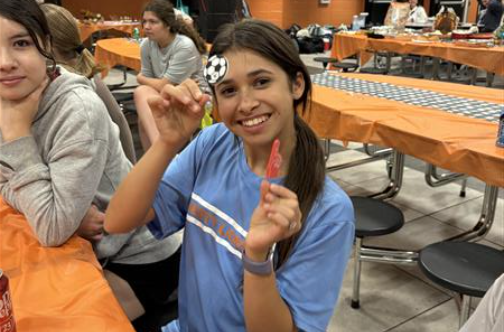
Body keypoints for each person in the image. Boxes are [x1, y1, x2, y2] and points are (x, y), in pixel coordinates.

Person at [104, 18, 355, 332]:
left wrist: (257, 257)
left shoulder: (328, 210)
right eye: (229, 90)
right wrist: (167, 143)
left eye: (261, 82)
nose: (246, 103)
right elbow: (117, 221)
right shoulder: (214, 143)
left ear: (296, 84)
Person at [0, 0, 180, 332]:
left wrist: (18, 137)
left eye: (20, 43)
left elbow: (51, 228)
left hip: (139, 256)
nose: (5, 63)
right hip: (82, 243)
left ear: (46, 46)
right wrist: (59, 209)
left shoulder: (76, 108)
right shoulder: (7, 98)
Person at [134, 0, 207, 150]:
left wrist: (140, 77)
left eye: (153, 22)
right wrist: (145, 79)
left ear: (167, 24)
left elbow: (160, 83)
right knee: (144, 111)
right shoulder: (146, 45)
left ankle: (160, 152)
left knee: (142, 95)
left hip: (194, 95)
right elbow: (155, 83)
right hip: (168, 93)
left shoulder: (184, 46)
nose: (147, 27)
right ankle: (157, 162)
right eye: (144, 21)